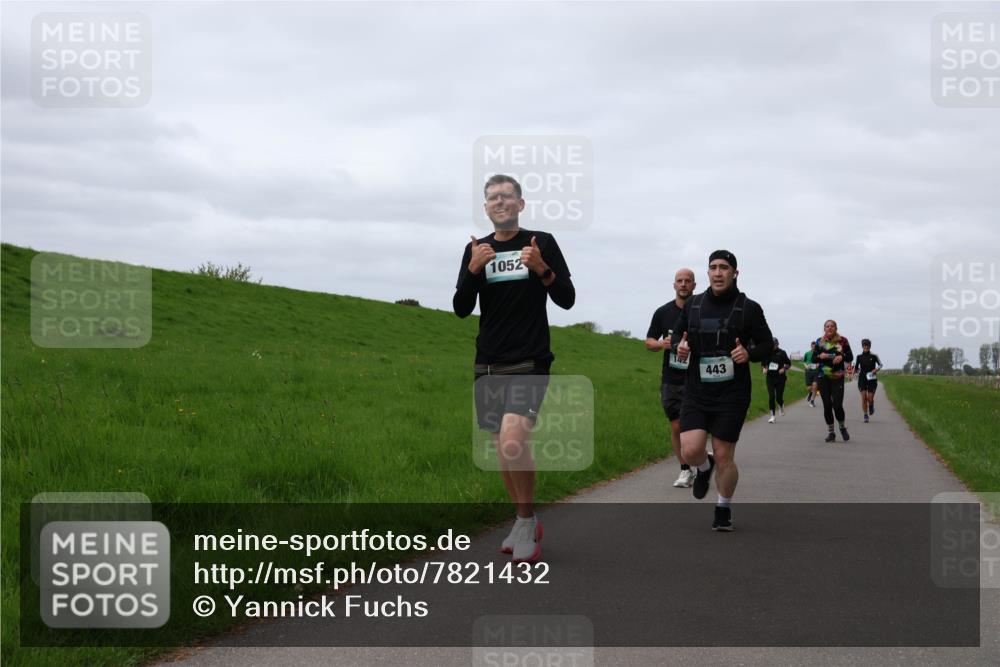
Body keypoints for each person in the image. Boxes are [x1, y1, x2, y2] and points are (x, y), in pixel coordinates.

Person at [453, 174, 575, 562]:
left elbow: (567, 299)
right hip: (488, 363)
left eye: (507, 196)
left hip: (530, 360)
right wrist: (473, 270)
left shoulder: (542, 243)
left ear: (520, 204)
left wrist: (542, 268)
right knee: (502, 450)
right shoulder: (476, 249)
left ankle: (526, 522)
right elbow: (460, 308)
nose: (500, 202)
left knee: (512, 439)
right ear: (486, 207)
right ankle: (524, 520)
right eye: (492, 197)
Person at [673, 250, 774, 531]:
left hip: (732, 393)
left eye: (724, 268)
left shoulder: (749, 308)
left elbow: (767, 345)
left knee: (724, 454)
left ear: (735, 273)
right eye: (713, 267)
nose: (718, 272)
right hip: (696, 391)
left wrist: (749, 353)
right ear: (707, 273)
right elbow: (676, 340)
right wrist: (679, 349)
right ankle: (703, 468)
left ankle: (722, 508)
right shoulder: (693, 306)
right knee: (690, 450)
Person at [645, 269, 697, 488]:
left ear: (694, 285)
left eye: (687, 281)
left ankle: (701, 458)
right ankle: (685, 470)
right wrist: (662, 344)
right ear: (674, 285)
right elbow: (648, 342)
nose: (683, 284)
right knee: (676, 427)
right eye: (679, 281)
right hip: (672, 378)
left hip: (698, 378)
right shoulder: (662, 312)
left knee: (697, 429)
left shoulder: (701, 309)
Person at [814, 320, 854, 443]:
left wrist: (841, 356)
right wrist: (821, 356)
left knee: (837, 405)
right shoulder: (819, 341)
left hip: (837, 376)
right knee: (827, 405)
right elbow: (814, 357)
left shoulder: (843, 340)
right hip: (823, 376)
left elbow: (850, 356)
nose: (830, 328)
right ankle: (831, 432)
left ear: (836, 328)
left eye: (832, 326)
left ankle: (842, 427)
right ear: (824, 328)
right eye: (827, 326)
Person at [761, 338, 791, 423]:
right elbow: (763, 364)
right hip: (770, 378)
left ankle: (781, 406)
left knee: (778, 397)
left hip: (780, 378)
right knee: (771, 396)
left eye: (774, 345)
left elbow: (789, 364)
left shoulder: (782, 352)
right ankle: (772, 416)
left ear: (777, 344)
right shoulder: (766, 353)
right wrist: (764, 369)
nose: (773, 346)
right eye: (771, 345)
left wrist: (784, 369)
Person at [854, 339, 883, 423]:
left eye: (867, 345)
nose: (866, 347)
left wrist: (876, 370)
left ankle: (871, 404)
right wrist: (856, 372)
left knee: (870, 398)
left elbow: (881, 365)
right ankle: (865, 415)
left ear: (870, 346)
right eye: (864, 345)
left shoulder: (874, 356)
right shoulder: (859, 357)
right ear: (862, 346)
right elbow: (856, 368)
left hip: (872, 379)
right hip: (862, 379)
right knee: (863, 398)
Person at [803, 340, 820, 406]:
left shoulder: (818, 354)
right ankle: (810, 393)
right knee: (809, 387)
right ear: (811, 346)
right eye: (812, 346)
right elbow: (804, 361)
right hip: (808, 371)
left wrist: (817, 365)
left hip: (815, 371)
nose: (813, 347)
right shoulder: (807, 353)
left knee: (815, 385)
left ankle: (812, 401)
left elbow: (820, 361)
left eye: (815, 346)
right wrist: (806, 366)